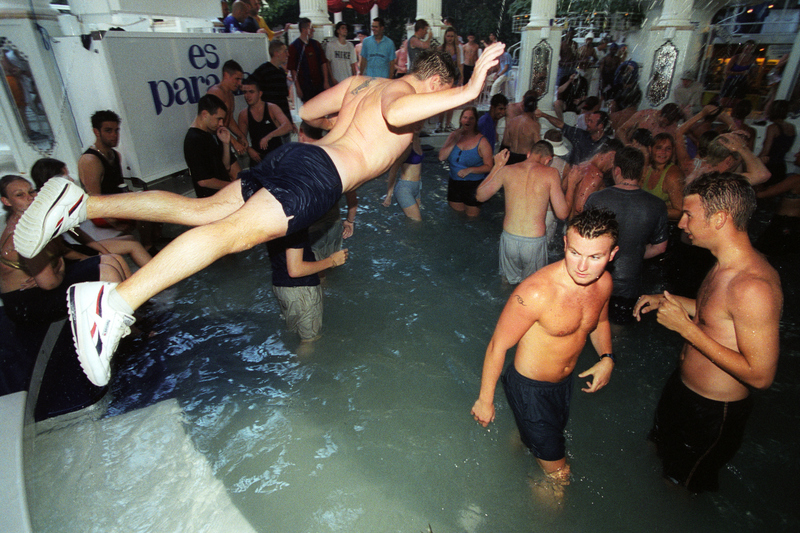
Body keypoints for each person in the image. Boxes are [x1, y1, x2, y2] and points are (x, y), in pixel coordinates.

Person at [14, 44, 507, 387]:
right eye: (444, 96)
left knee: (200, 210)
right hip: (317, 179)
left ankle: (80, 203)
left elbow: (310, 111)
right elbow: (398, 116)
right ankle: (114, 305)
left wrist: (348, 131)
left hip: (296, 156)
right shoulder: (403, 98)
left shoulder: (363, 82)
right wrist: (472, 89)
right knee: (229, 235)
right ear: (437, 82)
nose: (437, 111)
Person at [634, 172, 783, 493]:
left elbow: (761, 376)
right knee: (655, 452)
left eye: (689, 215)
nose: (682, 223)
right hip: (681, 388)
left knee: (679, 488)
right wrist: (667, 301)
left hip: (713, 411)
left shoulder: (753, 287)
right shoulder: (722, 264)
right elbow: (715, 314)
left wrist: (686, 329)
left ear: (719, 219)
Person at [471, 208, 619, 490]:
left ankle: (518, 448)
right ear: (564, 244)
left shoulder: (604, 283)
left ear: (612, 254)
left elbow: (600, 320)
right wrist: (485, 400)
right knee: (559, 475)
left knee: (540, 437)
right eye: (575, 253)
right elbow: (497, 345)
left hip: (562, 386)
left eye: (595, 257)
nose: (582, 267)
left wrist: (607, 357)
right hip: (529, 389)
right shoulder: (536, 292)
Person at [1, 176, 125, 328]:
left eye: (31, 191)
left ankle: (135, 312)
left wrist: (89, 258)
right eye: (19, 195)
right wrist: (60, 269)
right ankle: (124, 331)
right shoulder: (23, 233)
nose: (30, 198)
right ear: (6, 201)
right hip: (28, 303)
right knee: (106, 271)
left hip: (44, 285)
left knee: (112, 259)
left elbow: (60, 250)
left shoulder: (33, 221)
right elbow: (49, 283)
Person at [585, 146, 668, 324]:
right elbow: (660, 247)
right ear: (642, 173)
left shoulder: (596, 199)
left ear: (617, 170)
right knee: (616, 332)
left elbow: (584, 242)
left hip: (595, 280)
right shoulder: (657, 205)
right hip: (629, 286)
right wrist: (635, 252)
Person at [30, 158, 152, 268]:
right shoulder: (47, 210)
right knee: (131, 247)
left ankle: (159, 279)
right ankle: (158, 280)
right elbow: (59, 250)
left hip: (72, 249)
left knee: (131, 239)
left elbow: (77, 234)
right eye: (66, 177)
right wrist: (91, 257)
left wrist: (103, 251)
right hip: (64, 259)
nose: (72, 179)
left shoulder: (58, 202)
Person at [476, 141, 569, 284]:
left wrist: (497, 166)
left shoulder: (507, 170)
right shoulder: (551, 173)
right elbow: (562, 214)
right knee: (532, 285)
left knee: (506, 281)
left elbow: (479, 196)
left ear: (528, 154)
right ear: (548, 159)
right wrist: (573, 184)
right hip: (533, 242)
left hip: (509, 239)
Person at [439, 107, 494, 217]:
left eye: (471, 118)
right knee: (457, 219)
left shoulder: (482, 141)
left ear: (476, 122)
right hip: (454, 183)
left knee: (471, 219)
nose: (467, 121)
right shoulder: (453, 136)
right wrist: (455, 139)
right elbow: (441, 157)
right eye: (465, 117)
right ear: (460, 120)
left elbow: (489, 166)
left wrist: (470, 170)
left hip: (473, 185)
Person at [183, 94, 234, 198]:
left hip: (222, 196)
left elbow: (226, 167)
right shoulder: (194, 140)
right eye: (218, 119)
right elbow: (204, 181)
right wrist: (233, 186)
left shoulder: (209, 135)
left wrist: (225, 144)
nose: (221, 123)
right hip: (211, 200)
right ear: (205, 114)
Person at [237, 78, 292, 164]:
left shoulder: (272, 108)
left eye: (251, 92)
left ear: (260, 93)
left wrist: (269, 136)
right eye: (245, 92)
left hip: (277, 156)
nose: (247, 96)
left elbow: (288, 126)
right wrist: (249, 149)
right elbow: (241, 138)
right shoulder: (243, 115)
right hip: (258, 157)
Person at [755, 150, 800, 256]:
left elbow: (761, 194)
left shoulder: (796, 180)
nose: (796, 154)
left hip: (784, 224)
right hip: (794, 224)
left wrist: (759, 169)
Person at [563, 139, 623, 217]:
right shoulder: (595, 175)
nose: (613, 168)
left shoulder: (581, 165)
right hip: (578, 224)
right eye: (615, 163)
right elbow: (580, 208)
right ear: (612, 155)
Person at [207, 60, 248, 169]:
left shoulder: (230, 94)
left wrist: (241, 135)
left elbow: (229, 120)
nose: (239, 83)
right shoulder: (216, 92)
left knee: (237, 177)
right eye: (237, 79)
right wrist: (234, 142)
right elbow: (215, 124)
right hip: (214, 140)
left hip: (223, 140)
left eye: (240, 80)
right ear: (226, 75)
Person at [251, 39, 294, 144]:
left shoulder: (280, 73)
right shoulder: (264, 70)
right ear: (276, 53)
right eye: (284, 51)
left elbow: (283, 100)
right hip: (270, 122)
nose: (287, 54)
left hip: (282, 120)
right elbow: (250, 84)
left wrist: (290, 121)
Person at [536, 108, 611, 166]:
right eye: (588, 121)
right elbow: (561, 125)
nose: (587, 123)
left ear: (600, 126)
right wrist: (543, 115)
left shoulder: (607, 145)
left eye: (591, 122)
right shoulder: (580, 135)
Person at [641, 133, 685, 221]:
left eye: (668, 149)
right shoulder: (647, 170)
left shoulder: (673, 175)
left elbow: (679, 211)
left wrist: (650, 211)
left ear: (673, 151)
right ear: (650, 149)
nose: (663, 152)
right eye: (659, 148)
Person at [383, 131, 424, 221]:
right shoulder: (407, 147)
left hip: (416, 186)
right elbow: (393, 171)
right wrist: (389, 195)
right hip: (405, 189)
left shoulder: (417, 142)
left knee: (414, 219)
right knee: (417, 221)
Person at [288, 18, 330, 103]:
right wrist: (298, 88)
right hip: (305, 86)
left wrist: (326, 81)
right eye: (311, 28)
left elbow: (323, 63)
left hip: (319, 84)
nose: (313, 30)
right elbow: (293, 69)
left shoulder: (316, 44)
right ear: (304, 30)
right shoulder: (294, 47)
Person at [757, 100, 796, 186]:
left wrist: (754, 161)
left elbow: (766, 151)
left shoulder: (773, 128)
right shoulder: (791, 127)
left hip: (769, 166)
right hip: (781, 166)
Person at [434, 26, 464, 133]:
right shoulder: (440, 48)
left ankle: (447, 124)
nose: (450, 38)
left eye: (452, 36)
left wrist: (462, 76)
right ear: (445, 37)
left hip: (454, 76)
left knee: (452, 102)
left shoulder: (458, 48)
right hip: (443, 77)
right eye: (448, 36)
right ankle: (439, 124)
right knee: (442, 101)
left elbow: (460, 64)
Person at [499, 94, 541, 165]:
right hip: (524, 158)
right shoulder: (534, 125)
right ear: (536, 108)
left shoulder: (512, 121)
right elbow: (538, 146)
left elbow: (505, 142)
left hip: (511, 156)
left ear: (523, 106)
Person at [617, 103, 684, 145]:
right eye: (663, 122)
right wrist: (627, 144)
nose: (663, 126)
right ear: (660, 113)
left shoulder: (673, 128)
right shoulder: (644, 115)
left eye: (666, 124)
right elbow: (620, 130)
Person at [719, 40, 757, 108]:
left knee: (738, 102)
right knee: (724, 100)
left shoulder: (752, 60)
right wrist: (740, 73)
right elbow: (726, 71)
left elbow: (753, 75)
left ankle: (734, 115)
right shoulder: (736, 58)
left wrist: (754, 70)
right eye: (746, 49)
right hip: (731, 81)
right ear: (743, 48)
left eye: (750, 49)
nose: (747, 51)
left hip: (742, 83)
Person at [326, 22, 357, 86]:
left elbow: (353, 64)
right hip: (336, 80)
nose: (345, 30)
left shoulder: (350, 45)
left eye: (346, 28)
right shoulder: (331, 45)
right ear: (338, 31)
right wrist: (332, 78)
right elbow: (328, 63)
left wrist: (354, 78)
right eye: (343, 28)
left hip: (348, 79)